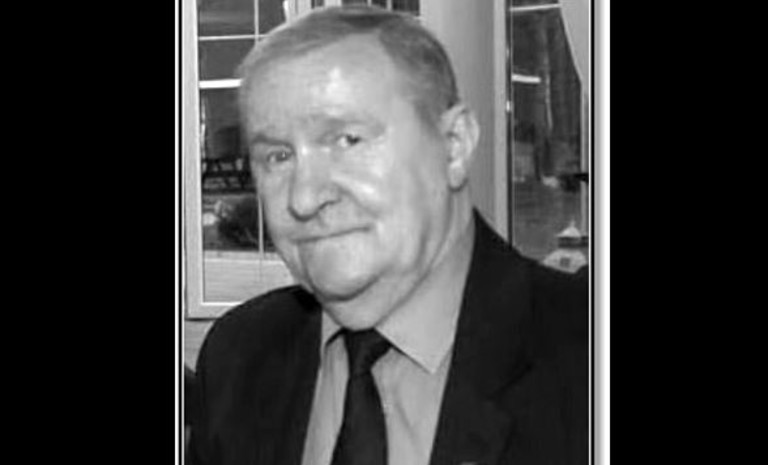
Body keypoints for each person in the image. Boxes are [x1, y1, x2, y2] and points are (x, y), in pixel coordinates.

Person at [188, 5, 588, 465]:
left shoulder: (587, 358)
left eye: (347, 140)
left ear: (454, 146)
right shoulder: (239, 359)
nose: (304, 197)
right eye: (278, 157)